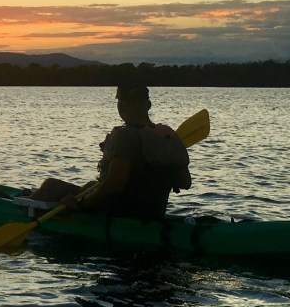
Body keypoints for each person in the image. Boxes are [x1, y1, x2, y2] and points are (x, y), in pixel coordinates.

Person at [29, 84, 191, 221]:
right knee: (91, 185)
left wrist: (80, 204)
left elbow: (115, 185)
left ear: (120, 106)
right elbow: (185, 183)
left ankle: (22, 210)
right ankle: (29, 197)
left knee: (51, 186)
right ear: (148, 105)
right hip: (153, 212)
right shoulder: (168, 134)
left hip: (120, 213)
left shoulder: (123, 135)